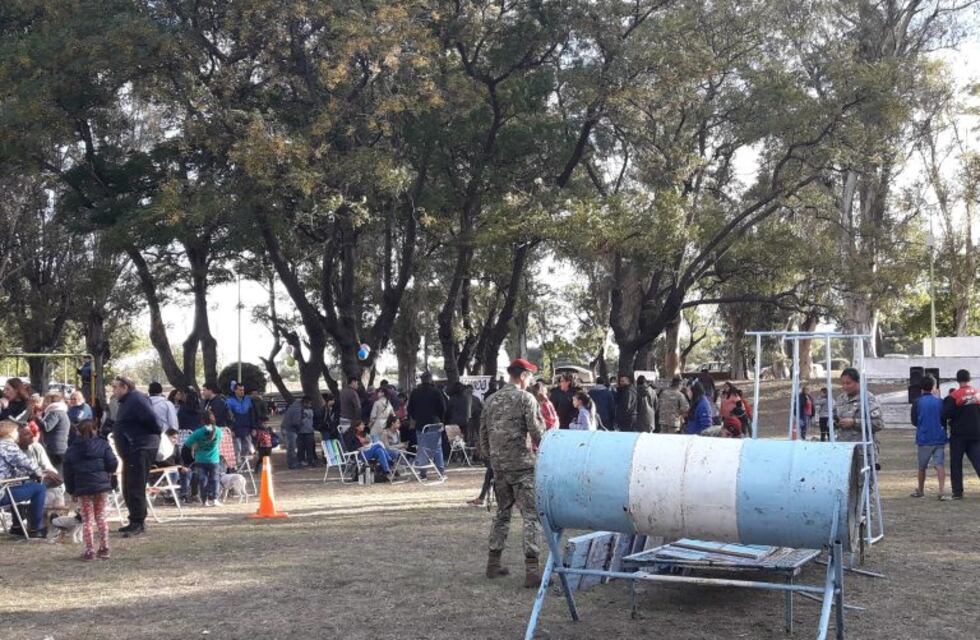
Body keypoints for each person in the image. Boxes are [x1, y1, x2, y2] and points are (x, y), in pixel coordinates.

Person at [480, 358, 545, 587]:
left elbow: (482, 434)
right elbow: (537, 432)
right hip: (523, 466)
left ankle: (493, 564)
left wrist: (493, 458)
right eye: (530, 377)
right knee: (530, 515)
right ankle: (532, 570)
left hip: (499, 467)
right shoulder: (526, 399)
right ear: (524, 376)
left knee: (502, 513)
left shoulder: (490, 400)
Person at [112, 376, 161, 537]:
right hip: (131, 450)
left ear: (125, 387)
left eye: (116, 387)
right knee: (128, 485)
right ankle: (134, 519)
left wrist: (142, 438)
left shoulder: (137, 400)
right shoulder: (127, 402)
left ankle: (139, 522)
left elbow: (153, 421)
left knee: (135, 485)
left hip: (141, 447)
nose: (114, 391)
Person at [62, 419, 118, 560]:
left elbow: (68, 472)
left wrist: (71, 490)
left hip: (82, 487)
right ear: (95, 429)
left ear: (77, 431)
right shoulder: (103, 444)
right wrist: (107, 472)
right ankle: (104, 548)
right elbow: (112, 462)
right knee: (101, 517)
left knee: (87, 519)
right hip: (101, 485)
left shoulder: (71, 449)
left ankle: (89, 550)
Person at [0, 420, 56, 538]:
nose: (18, 434)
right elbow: (28, 464)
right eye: (16, 431)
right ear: (10, 433)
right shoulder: (8, 446)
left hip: (5, 485)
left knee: (18, 486)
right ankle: (36, 528)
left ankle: (16, 527)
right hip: (1, 493)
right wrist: (40, 473)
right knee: (39, 488)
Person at [909, 375, 949, 500]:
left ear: (921, 388)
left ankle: (920, 489)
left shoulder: (917, 402)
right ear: (934, 387)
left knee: (922, 466)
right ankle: (942, 491)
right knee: (939, 464)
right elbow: (944, 419)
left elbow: (914, 421)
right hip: (939, 437)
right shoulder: (940, 402)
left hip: (924, 438)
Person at [942, 369, 980, 500]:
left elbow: (946, 414)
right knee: (978, 461)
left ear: (957, 380)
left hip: (958, 435)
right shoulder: (977, 394)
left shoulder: (954, 396)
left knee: (956, 463)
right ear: (969, 379)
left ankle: (957, 492)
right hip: (976, 433)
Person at [833, 368, 884, 460]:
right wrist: (835, 423)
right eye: (843, 384)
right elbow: (833, 417)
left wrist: (854, 422)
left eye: (848, 383)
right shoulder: (840, 399)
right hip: (843, 450)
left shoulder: (869, 400)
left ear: (858, 382)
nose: (845, 386)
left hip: (862, 452)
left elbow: (878, 424)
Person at [183, 421, 224, 507]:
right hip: (214, 459)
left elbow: (187, 445)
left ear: (202, 421)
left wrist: (196, 446)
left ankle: (204, 501)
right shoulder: (218, 431)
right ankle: (215, 499)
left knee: (203, 480)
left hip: (200, 459)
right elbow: (220, 441)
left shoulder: (198, 432)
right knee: (215, 479)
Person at [41, 391, 70, 473]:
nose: (44, 403)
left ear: (50, 401)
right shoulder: (62, 411)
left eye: (46, 400)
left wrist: (37, 419)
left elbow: (47, 427)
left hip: (55, 448)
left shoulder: (54, 412)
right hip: (60, 447)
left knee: (55, 472)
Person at [226, 384, 257, 461]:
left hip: (247, 427)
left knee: (248, 447)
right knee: (237, 449)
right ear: (235, 390)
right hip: (236, 428)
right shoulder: (229, 401)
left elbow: (252, 414)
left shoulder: (248, 400)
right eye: (240, 390)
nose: (242, 391)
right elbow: (228, 417)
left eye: (243, 390)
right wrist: (231, 429)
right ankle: (237, 466)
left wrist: (254, 428)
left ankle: (244, 464)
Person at [279, 396, 307, 469]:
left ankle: (292, 463)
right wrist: (301, 425)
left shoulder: (294, 406)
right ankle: (292, 464)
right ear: (305, 402)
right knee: (291, 447)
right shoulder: (297, 408)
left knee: (291, 447)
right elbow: (296, 422)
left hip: (286, 428)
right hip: (290, 429)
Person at [295, 397, 317, 467]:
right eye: (308, 403)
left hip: (310, 432)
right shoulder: (299, 411)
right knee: (301, 448)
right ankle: (301, 460)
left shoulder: (311, 411)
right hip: (300, 432)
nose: (310, 405)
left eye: (310, 403)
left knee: (310, 447)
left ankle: (310, 460)